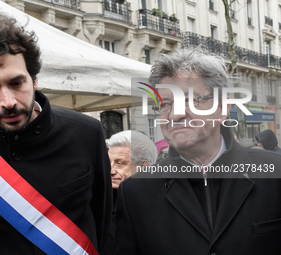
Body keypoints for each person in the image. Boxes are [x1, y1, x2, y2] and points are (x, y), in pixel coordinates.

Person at [0, 12, 111, 255]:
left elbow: (102, 223)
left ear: (34, 79)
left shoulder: (86, 133)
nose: (8, 102)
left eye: (17, 83)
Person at [114, 49, 281, 255]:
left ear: (222, 109)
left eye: (192, 100)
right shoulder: (135, 192)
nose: (176, 114)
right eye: (165, 104)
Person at [101, 130, 157, 255]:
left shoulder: (165, 206)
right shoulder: (101, 205)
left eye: (119, 163)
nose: (111, 170)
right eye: (108, 163)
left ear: (144, 167)